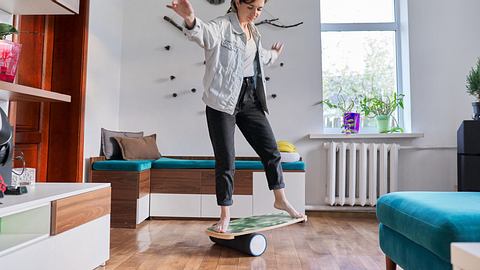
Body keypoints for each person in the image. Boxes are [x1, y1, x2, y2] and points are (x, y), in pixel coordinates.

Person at [167, 0, 305, 233]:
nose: (255, 14)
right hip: (222, 102)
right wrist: (190, 20)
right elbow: (204, 35)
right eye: (250, 7)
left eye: (259, 9)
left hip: (250, 99)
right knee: (226, 160)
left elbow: (258, 58)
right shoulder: (222, 26)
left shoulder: (254, 31)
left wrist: (272, 54)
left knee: (271, 150)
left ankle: (280, 198)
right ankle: (225, 214)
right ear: (237, 2)